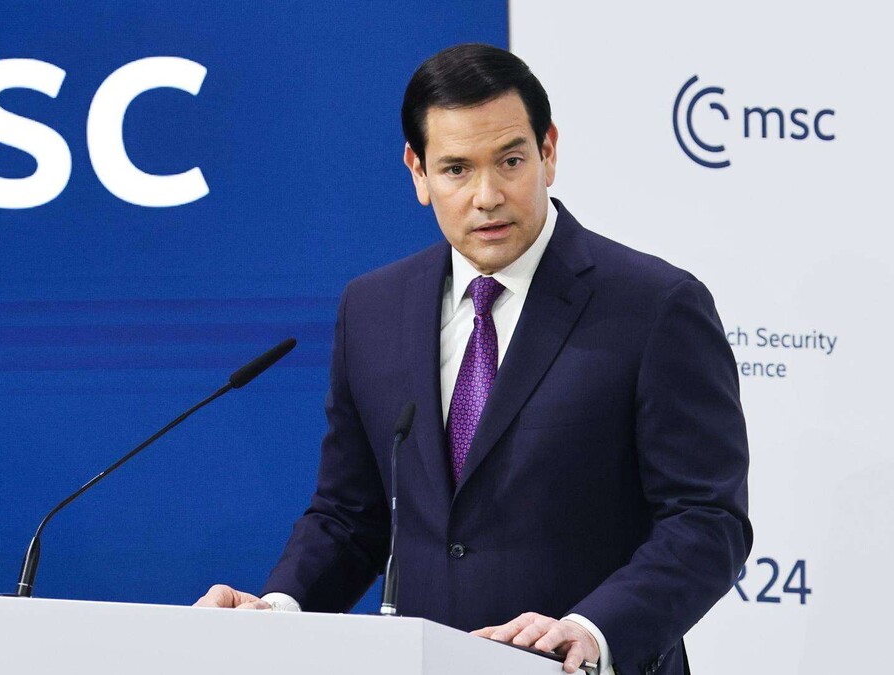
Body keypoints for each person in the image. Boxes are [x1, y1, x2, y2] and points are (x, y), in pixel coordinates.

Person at [195, 43, 750, 675]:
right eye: (456, 169)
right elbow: (351, 517)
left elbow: (707, 520)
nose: (487, 196)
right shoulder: (373, 308)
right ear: (418, 172)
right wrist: (277, 610)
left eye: (510, 161)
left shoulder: (653, 305)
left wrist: (592, 630)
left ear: (548, 152)